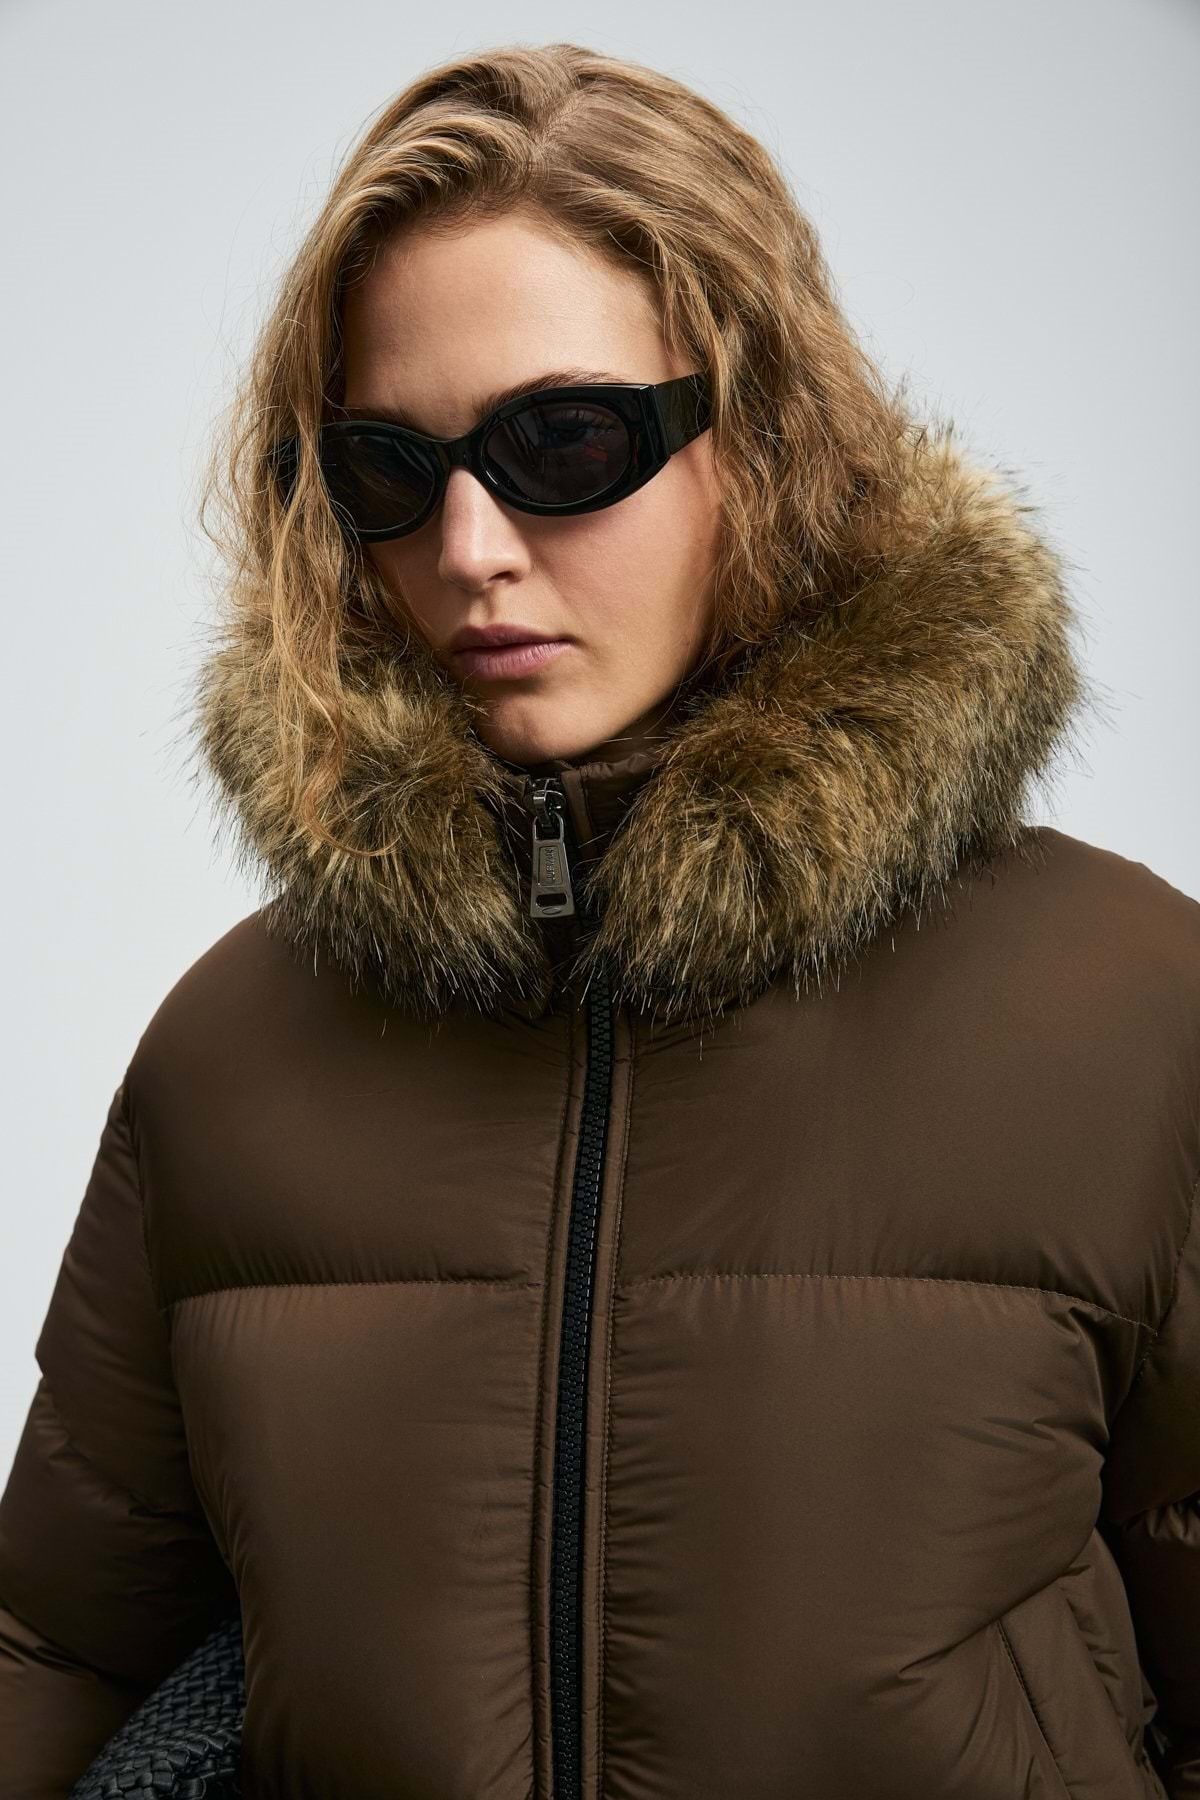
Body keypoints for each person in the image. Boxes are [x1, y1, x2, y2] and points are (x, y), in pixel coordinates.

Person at [2, 39, 1198, 1800]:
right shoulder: (234, 1047)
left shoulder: (1129, 1004)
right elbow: (58, 1650)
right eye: (390, 469)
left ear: (765, 432)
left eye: (561, 441)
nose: (470, 547)